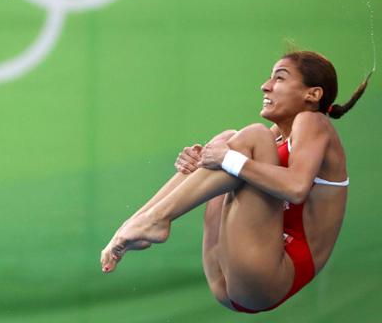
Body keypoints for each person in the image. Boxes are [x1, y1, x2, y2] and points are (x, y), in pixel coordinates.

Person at [100, 51, 371, 313]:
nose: (265, 86)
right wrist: (201, 162)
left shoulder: (314, 123)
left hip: (273, 275)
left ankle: (156, 219)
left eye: (279, 78)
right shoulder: (276, 136)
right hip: (234, 276)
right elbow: (238, 164)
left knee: (248, 139)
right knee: (228, 139)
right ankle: (136, 223)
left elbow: (297, 188)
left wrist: (227, 159)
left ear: (313, 94)